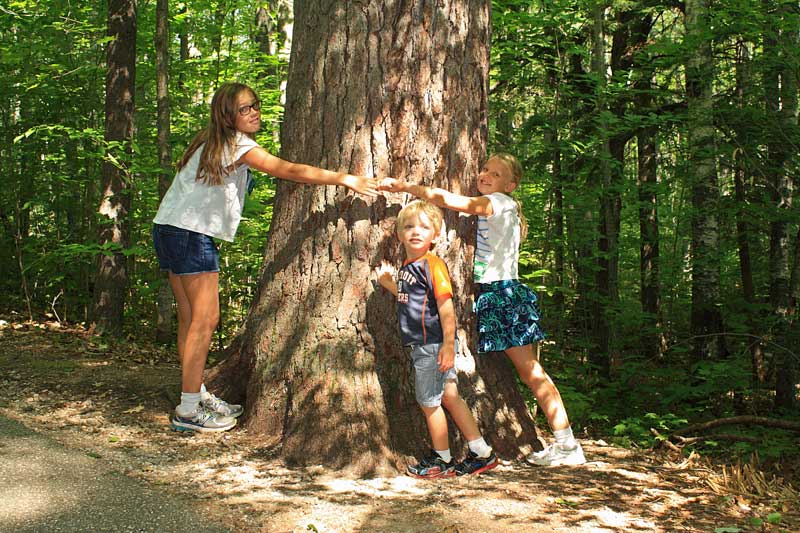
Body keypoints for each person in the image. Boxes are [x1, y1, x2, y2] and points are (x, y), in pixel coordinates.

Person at [153, 82, 378, 433]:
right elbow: (287, 170)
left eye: (255, 105)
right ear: (228, 116)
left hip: (169, 228)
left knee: (189, 319)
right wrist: (344, 178)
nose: (254, 112)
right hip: (190, 235)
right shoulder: (237, 145)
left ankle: (194, 394)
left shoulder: (210, 141)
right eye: (244, 109)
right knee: (205, 320)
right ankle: (188, 409)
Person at [379, 154, 586, 466]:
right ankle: (564, 444)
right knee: (529, 371)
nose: (486, 175)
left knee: (531, 372)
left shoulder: (498, 202)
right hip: (498, 294)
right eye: (485, 169)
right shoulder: (502, 206)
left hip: (503, 294)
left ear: (510, 185)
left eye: (496, 173)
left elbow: (452, 201)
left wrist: (408, 187)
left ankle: (568, 446)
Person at [376, 200, 498, 478]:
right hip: (429, 344)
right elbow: (414, 301)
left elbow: (445, 306)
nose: (415, 231)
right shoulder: (409, 266)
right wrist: (390, 286)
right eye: (408, 226)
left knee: (429, 402)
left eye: (424, 226)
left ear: (436, 234)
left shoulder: (432, 264)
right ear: (398, 234)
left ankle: (441, 460)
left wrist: (447, 345)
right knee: (450, 397)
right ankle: (481, 451)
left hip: (433, 344)